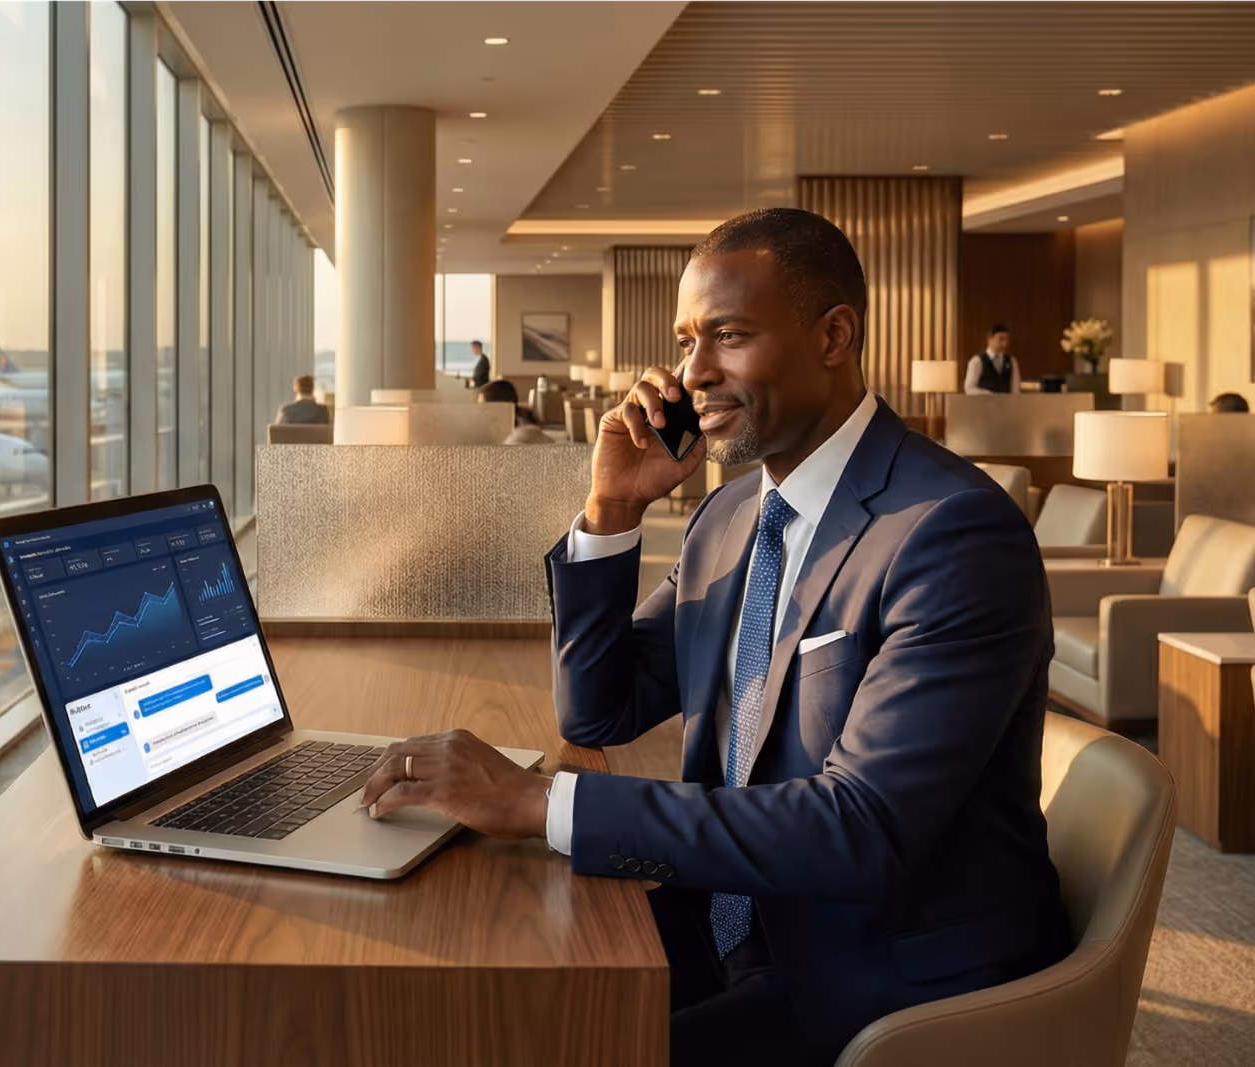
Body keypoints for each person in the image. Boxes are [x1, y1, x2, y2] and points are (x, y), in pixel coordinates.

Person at [360, 208, 1067, 1065]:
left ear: (834, 335)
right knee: (483, 996)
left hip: (878, 975)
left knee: (553, 1036)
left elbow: (860, 828)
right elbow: (600, 709)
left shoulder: (950, 533)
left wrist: (536, 801)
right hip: (732, 921)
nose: (693, 373)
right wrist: (612, 510)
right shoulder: (734, 515)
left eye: (727, 336)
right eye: (688, 340)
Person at [963, 325, 1021, 394]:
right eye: (1001, 339)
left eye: (1007, 340)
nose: (1005, 343)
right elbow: (969, 388)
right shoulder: (977, 361)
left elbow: (1015, 389)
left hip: (1006, 403)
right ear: (990, 340)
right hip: (984, 403)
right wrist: (989, 395)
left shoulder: (1011, 361)